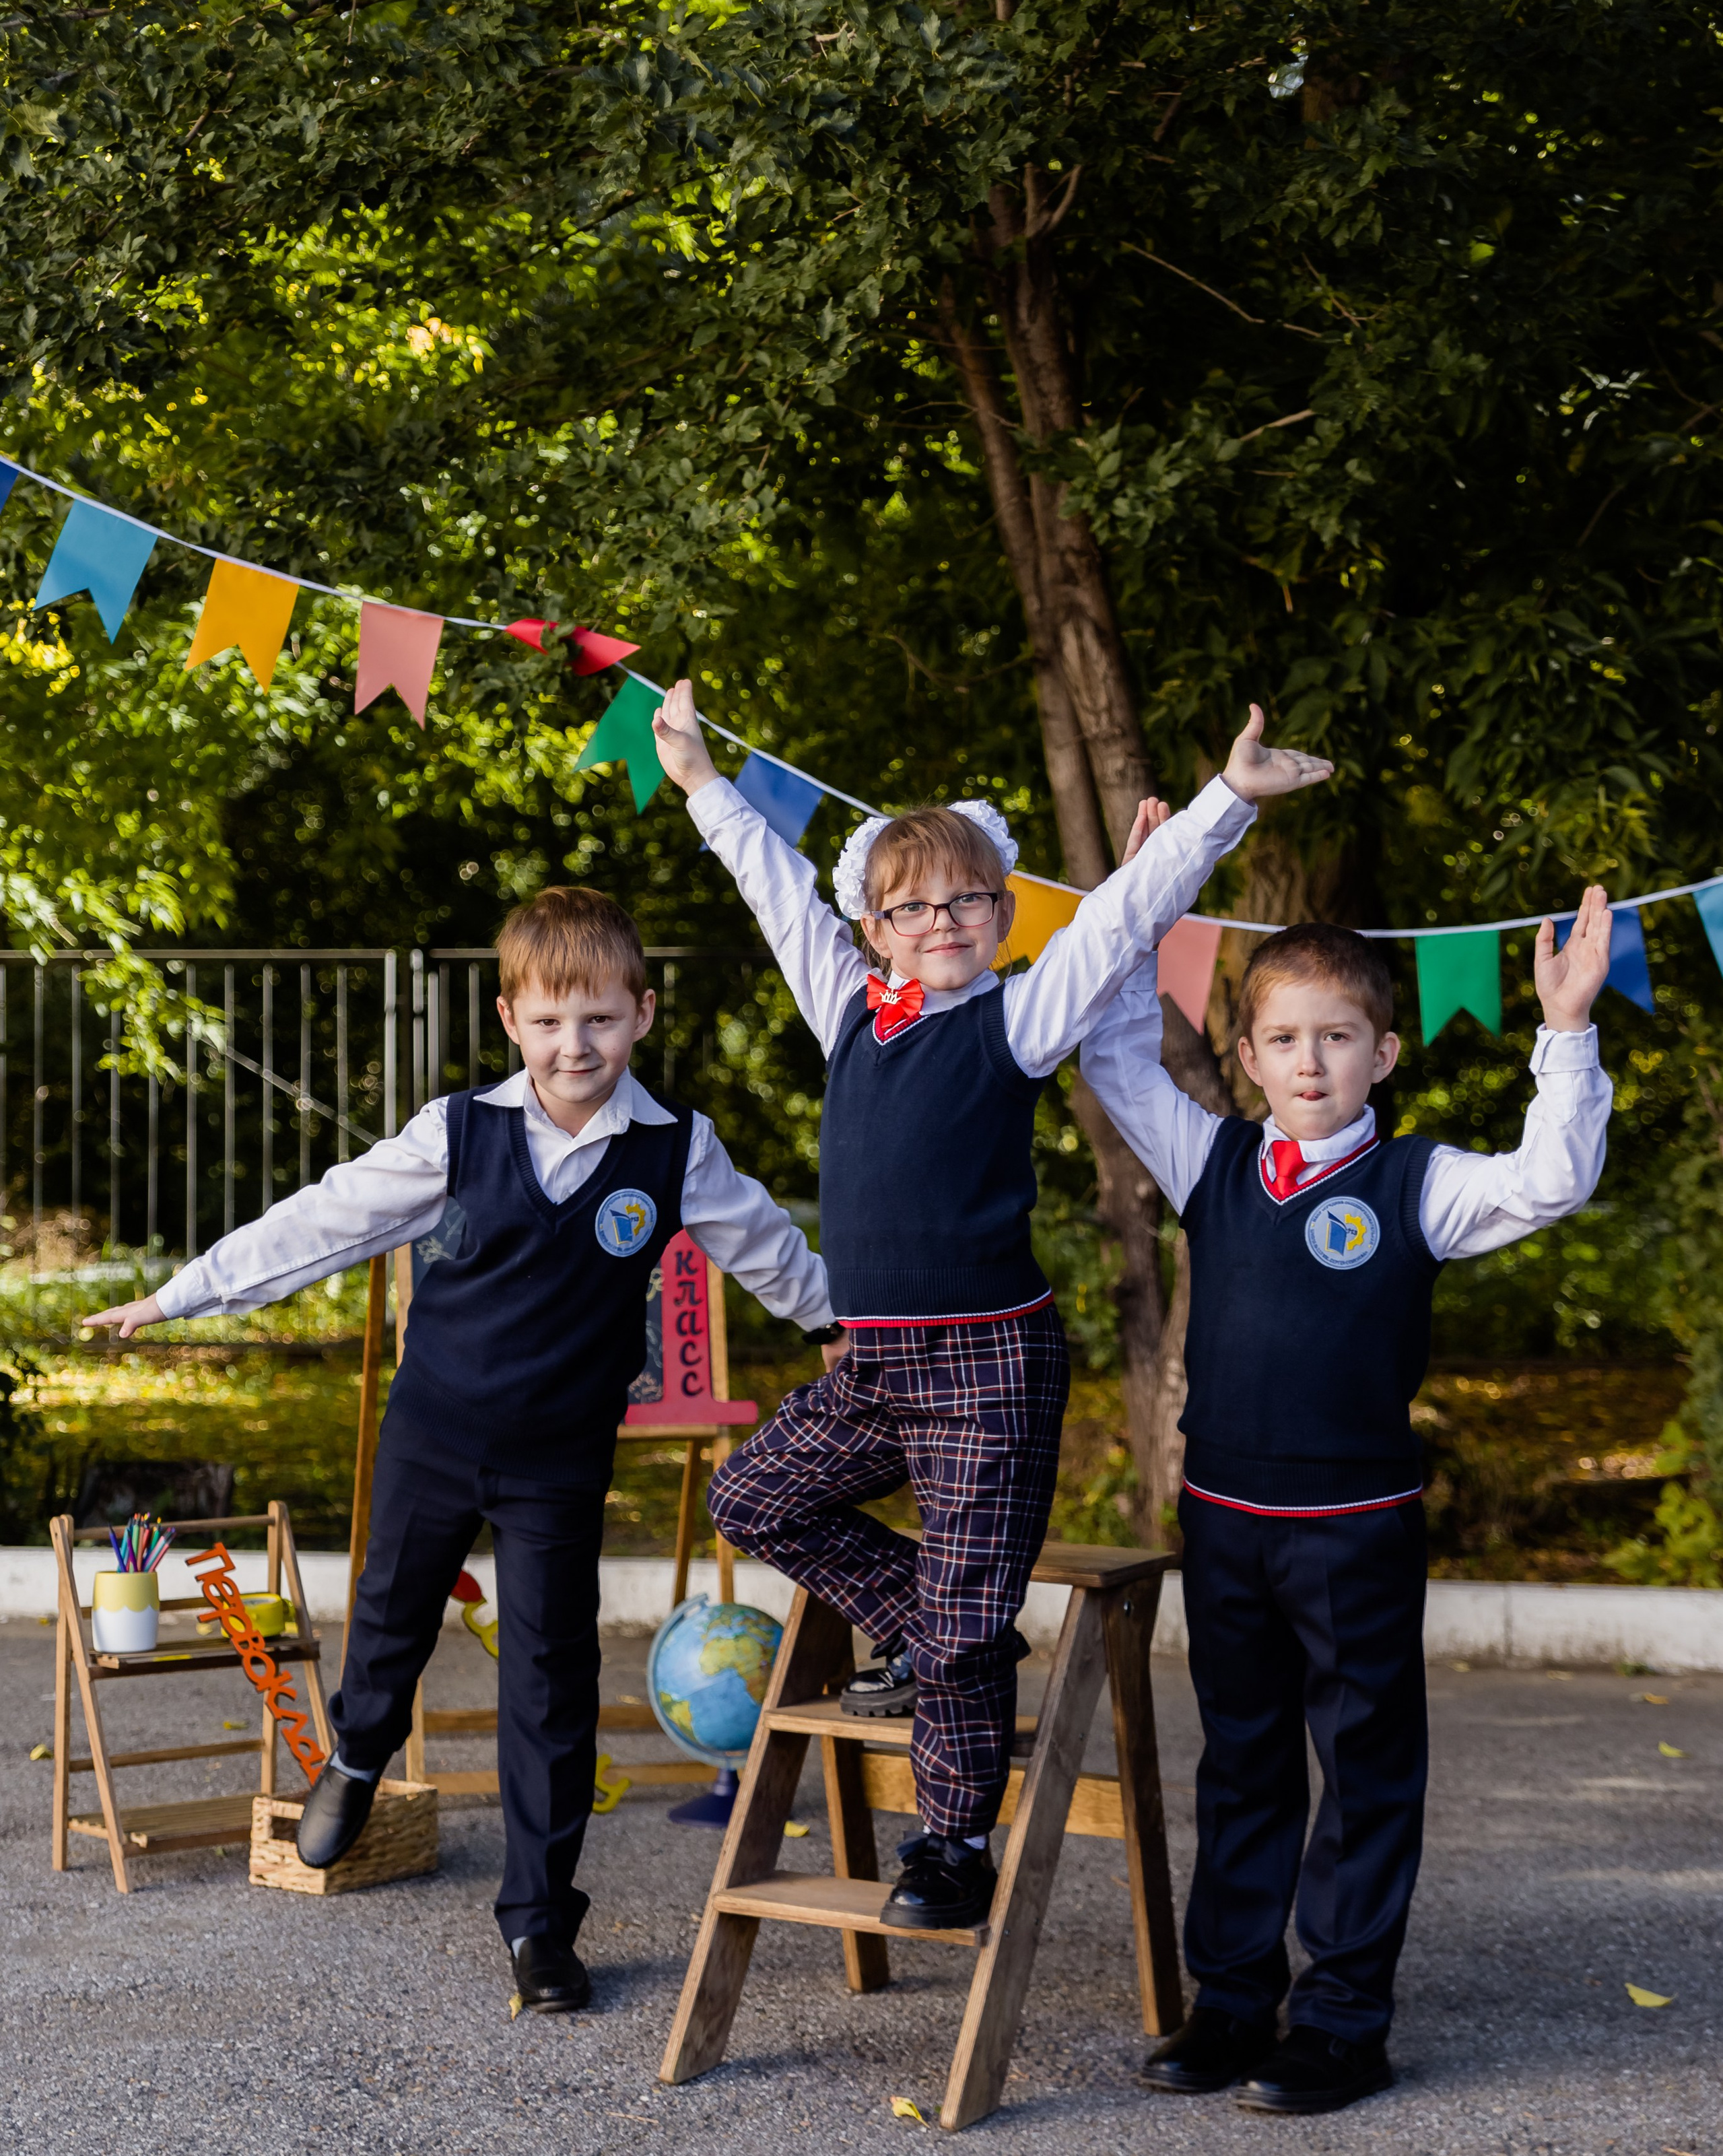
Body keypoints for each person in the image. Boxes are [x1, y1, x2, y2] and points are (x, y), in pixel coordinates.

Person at [650, 679, 1332, 1929]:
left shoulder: (1016, 1018)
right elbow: (771, 885)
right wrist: (699, 777)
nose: (942, 921)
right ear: (873, 926)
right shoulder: (847, 1007)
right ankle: (933, 1623)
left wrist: (1226, 801)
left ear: (1004, 911)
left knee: (966, 1630)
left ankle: (952, 1845)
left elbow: (1123, 919)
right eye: (912, 907)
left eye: (967, 899)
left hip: (989, 1370)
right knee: (753, 1497)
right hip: (872, 1367)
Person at [83, 886, 837, 2015]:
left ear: (641, 1013)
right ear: (509, 1019)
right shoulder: (459, 1130)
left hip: (557, 1463)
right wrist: (180, 1295)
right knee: (391, 1619)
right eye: (550, 1021)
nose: (574, 1045)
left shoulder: (677, 1150)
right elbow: (322, 1220)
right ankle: (356, 1754)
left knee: (551, 1680)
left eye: (599, 1018)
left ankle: (539, 1922)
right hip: (434, 1435)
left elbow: (771, 1247)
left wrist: (840, 1327)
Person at [1079, 889, 1617, 2114]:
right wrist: (1143, 905)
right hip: (1225, 1520)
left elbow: (1552, 1178)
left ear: (1384, 1053)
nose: (1309, 1061)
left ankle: (1341, 2020)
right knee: (1243, 1760)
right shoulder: (1210, 1156)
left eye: (1336, 1037)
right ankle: (1231, 1999)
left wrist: (1567, 1028)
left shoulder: (1419, 1179)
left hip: (1357, 1527)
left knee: (1364, 1766)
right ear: (1248, 1054)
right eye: (1284, 1038)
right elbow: (1113, 1059)